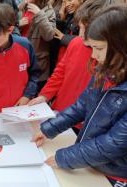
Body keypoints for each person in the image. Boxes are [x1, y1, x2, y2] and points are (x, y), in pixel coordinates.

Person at [32, 4, 127, 187]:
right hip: (89, 158)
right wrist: (48, 128)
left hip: (116, 171)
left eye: (98, 48)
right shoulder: (104, 68)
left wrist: (65, 157)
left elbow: (113, 144)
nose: (93, 55)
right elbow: (81, 106)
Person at [28, 0, 109, 133]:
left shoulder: (105, 56)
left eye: (85, 29)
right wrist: (44, 96)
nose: (81, 33)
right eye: (80, 27)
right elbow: (60, 72)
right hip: (60, 111)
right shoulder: (76, 43)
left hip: (84, 121)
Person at [19, 0, 56, 89]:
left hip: (37, 65)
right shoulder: (23, 7)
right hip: (20, 60)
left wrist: (39, 14)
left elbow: (49, 35)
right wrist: (18, 24)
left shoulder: (49, 11)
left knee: (33, 96)